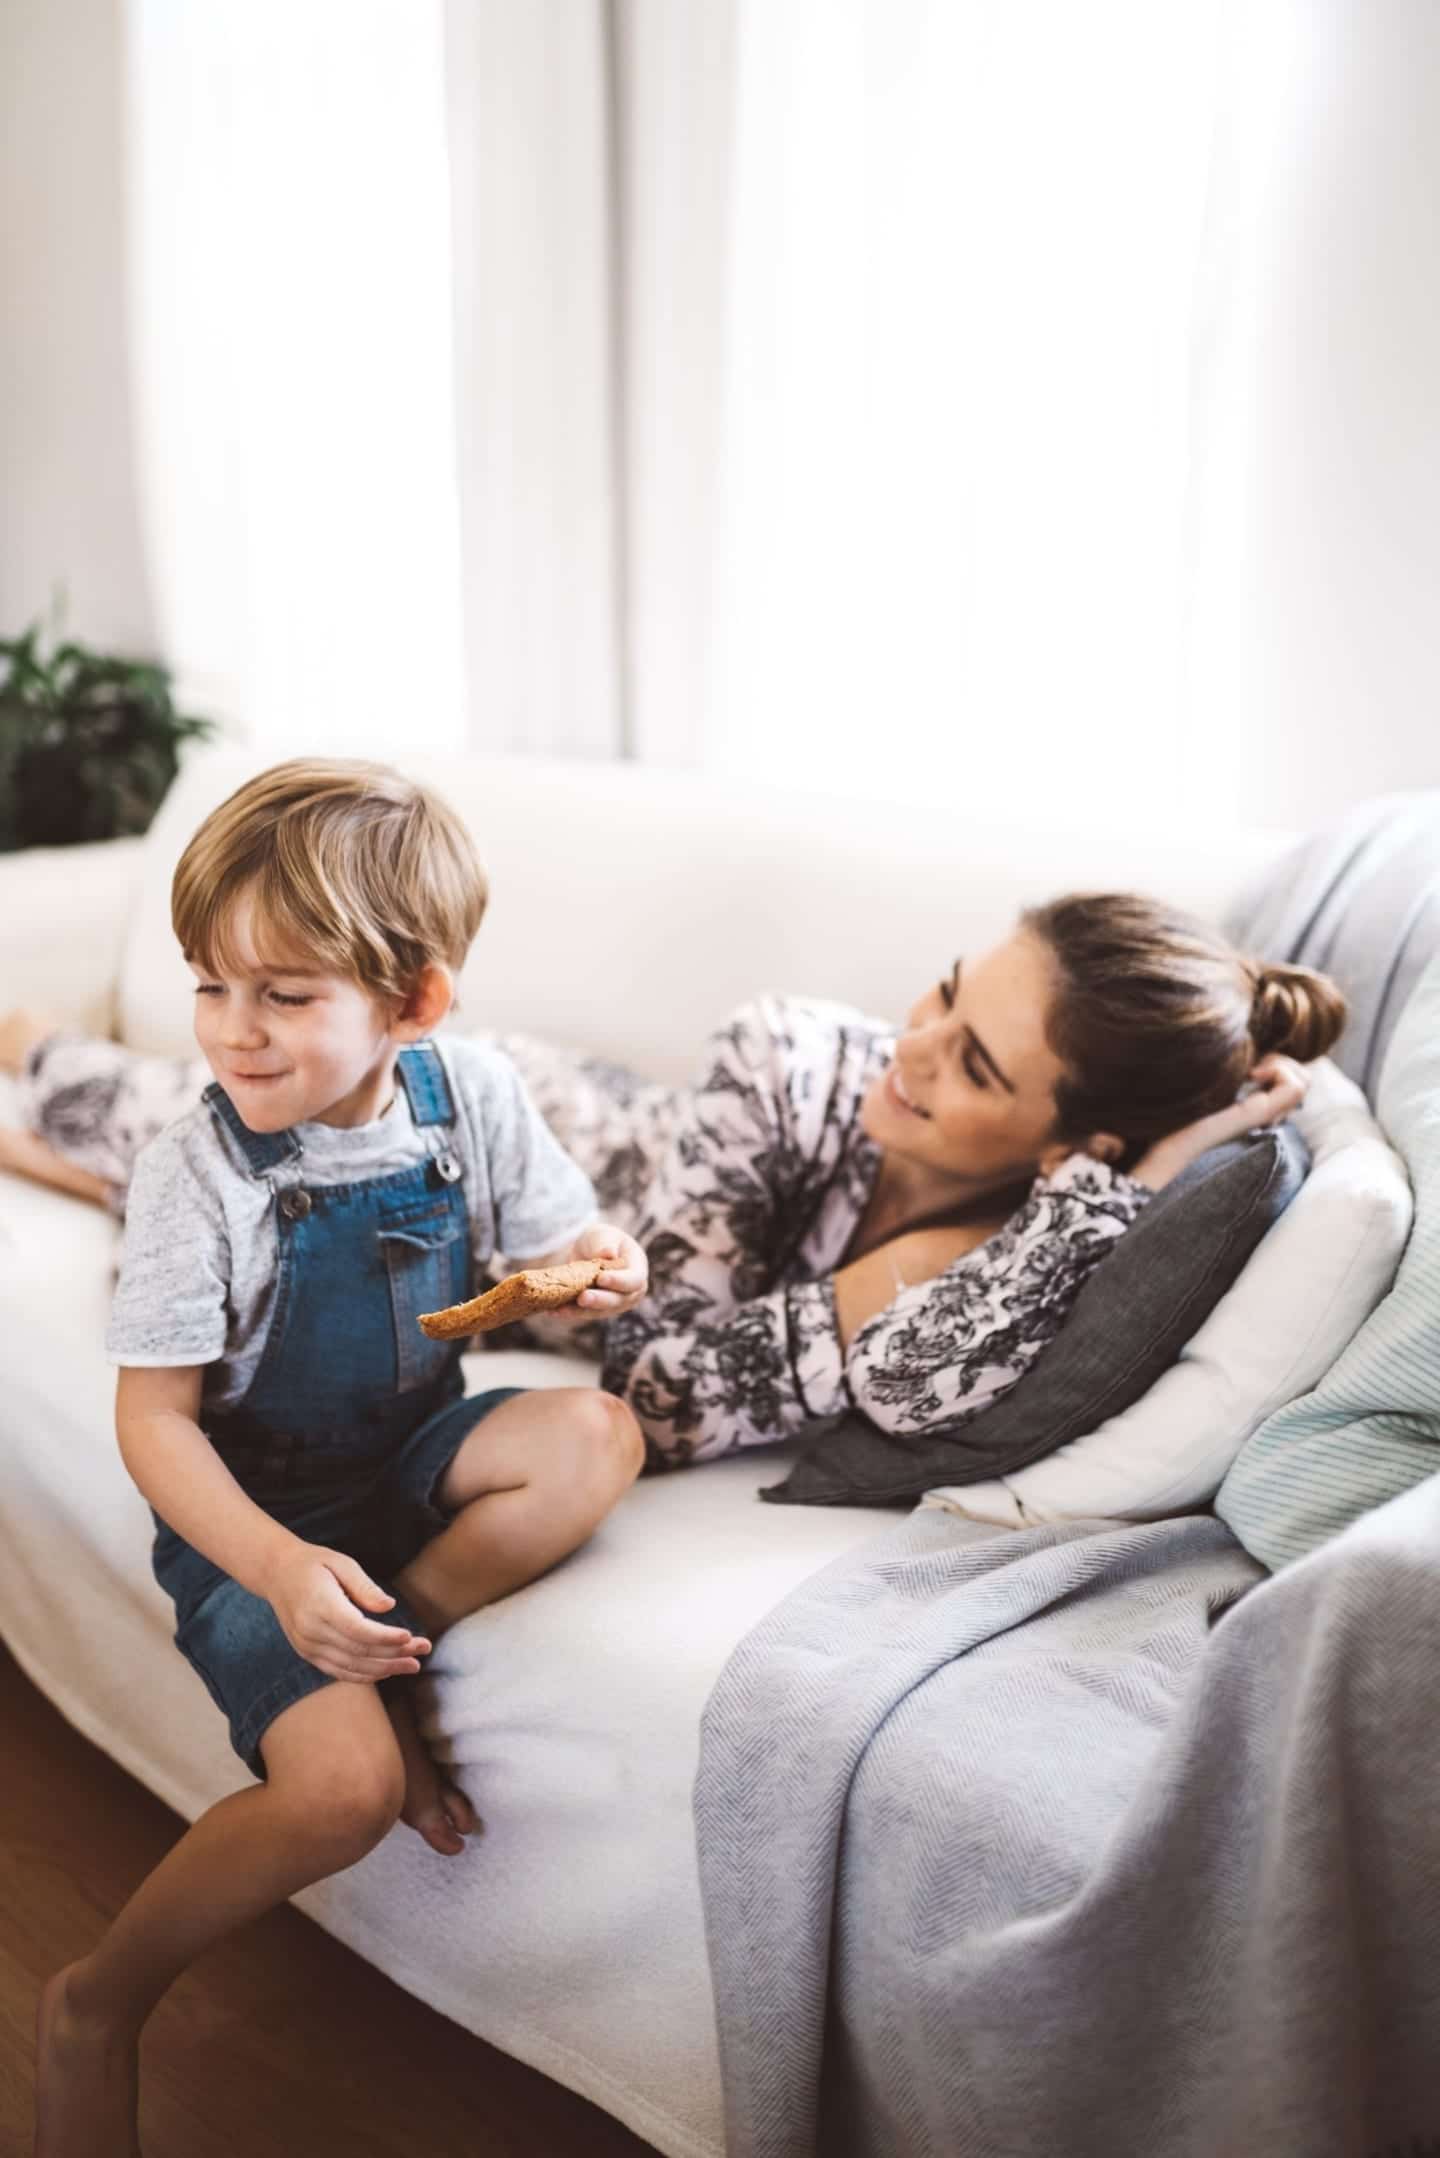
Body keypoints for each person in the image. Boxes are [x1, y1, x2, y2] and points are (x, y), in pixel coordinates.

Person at [31, 759, 649, 2158]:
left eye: (285, 994)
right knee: (345, 1793)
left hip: (408, 1447)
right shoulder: (196, 1171)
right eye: (210, 984)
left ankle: (389, 1651)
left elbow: (565, 1248)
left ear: (413, 1003)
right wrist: (277, 1564)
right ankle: (100, 2000)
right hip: (252, 1505)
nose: (230, 1037)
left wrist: (605, 1268)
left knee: (597, 1434)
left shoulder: (465, 1093)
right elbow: (155, 1422)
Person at [5, 891, 1346, 1476]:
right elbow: (654, 1380)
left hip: (461, 1266)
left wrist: (1090, 1208)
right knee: (115, 1105)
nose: (913, 1046)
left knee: (110, 1157)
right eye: (944, 990)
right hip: (495, 1134)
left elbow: (889, 1386)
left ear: (1072, 1152)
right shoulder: (791, 1051)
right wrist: (884, 1281)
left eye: (977, 1061)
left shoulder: (1034, 1246)